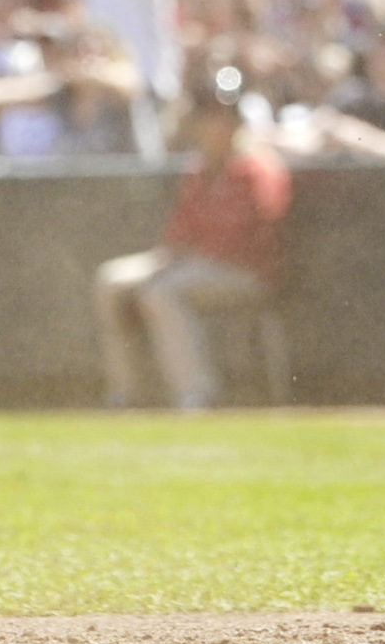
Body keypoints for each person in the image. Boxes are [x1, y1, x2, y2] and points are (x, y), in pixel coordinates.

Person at [93, 67, 291, 410]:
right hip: (192, 266)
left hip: (245, 273)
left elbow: (260, 230)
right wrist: (166, 257)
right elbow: (179, 231)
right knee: (111, 281)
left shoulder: (258, 167)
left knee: (161, 291)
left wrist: (183, 260)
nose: (216, 125)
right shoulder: (199, 169)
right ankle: (127, 393)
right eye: (210, 117)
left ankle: (196, 394)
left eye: (224, 117)